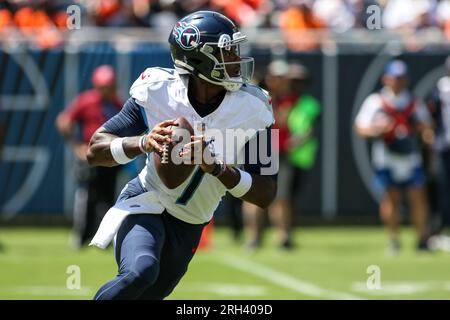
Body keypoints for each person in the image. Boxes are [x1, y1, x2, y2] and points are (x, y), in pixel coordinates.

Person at [87, 10, 277, 300]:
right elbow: (95, 149)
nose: (236, 58)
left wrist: (217, 168)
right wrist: (142, 142)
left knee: (150, 294)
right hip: (146, 201)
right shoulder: (158, 89)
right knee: (141, 271)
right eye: (227, 52)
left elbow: (266, 192)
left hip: (191, 222)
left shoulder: (254, 107)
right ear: (200, 59)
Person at [354, 60, 434, 254]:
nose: (397, 82)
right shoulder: (376, 102)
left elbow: (427, 128)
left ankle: (422, 238)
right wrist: (379, 129)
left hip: (410, 156)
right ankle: (393, 239)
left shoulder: (413, 102)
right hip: (386, 156)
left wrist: (423, 133)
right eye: (394, 78)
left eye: (401, 78)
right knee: (392, 198)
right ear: (386, 79)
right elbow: (361, 127)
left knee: (417, 196)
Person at [243, 61, 320, 250]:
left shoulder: (290, 100)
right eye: (276, 77)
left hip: (279, 151)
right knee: (251, 194)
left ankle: (283, 236)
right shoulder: (257, 95)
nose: (279, 81)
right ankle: (254, 237)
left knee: (281, 196)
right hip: (259, 147)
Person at [56, 65, 123, 249]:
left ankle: (104, 239)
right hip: (90, 159)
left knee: (108, 198)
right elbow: (64, 121)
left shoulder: (118, 104)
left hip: (110, 159)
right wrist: (77, 146)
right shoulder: (86, 101)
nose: (106, 91)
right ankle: (82, 236)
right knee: (86, 196)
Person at [426, 56, 450, 234]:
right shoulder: (440, 88)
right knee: (441, 186)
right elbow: (430, 116)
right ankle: (439, 227)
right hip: (443, 146)